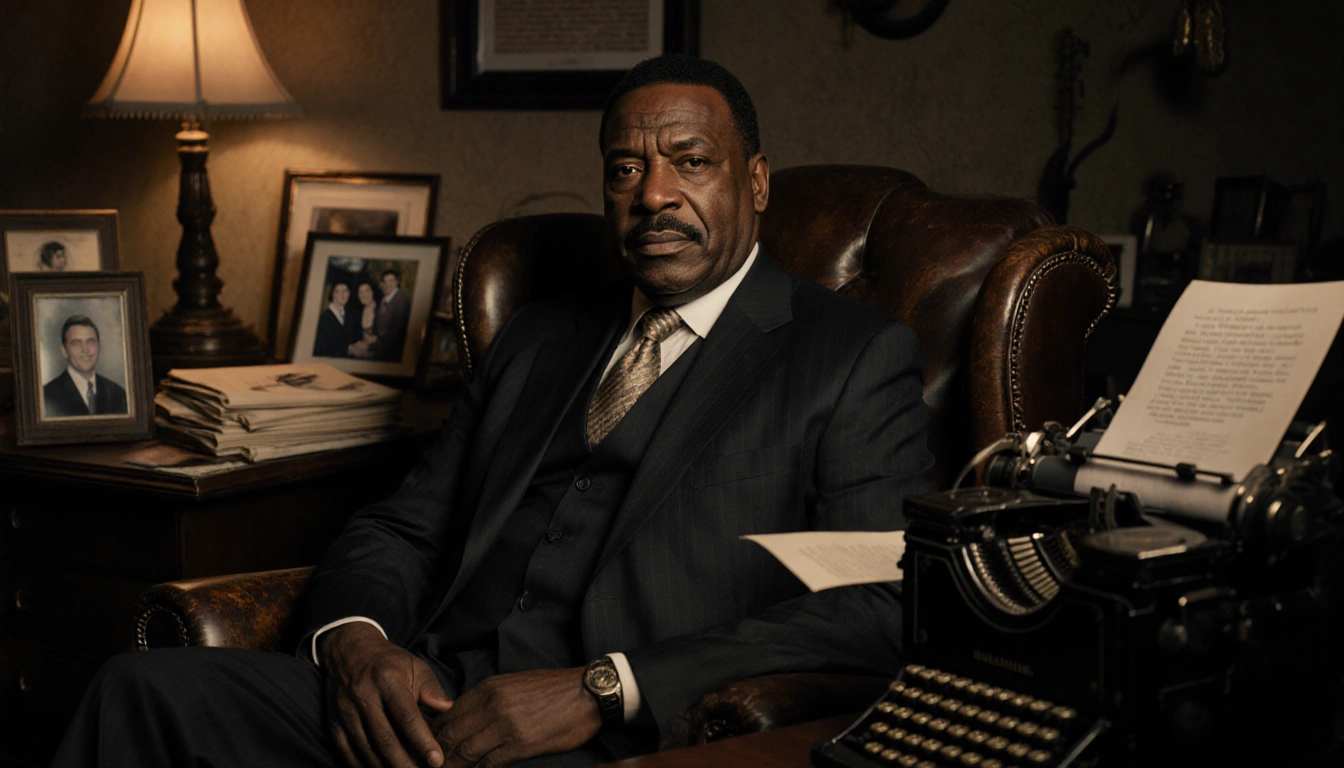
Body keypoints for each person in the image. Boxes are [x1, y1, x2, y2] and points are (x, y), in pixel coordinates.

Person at [53, 54, 935, 767]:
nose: (655, 195)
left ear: (756, 181)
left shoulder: (849, 356)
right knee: (143, 691)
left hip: (611, 736)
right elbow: (403, 528)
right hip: (427, 703)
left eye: (691, 162)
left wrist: (603, 687)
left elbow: (880, 605)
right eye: (626, 168)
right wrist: (353, 646)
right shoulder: (542, 338)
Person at [42, 315, 128, 417]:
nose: (85, 350)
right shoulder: (47, 396)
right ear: (64, 351)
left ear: (98, 346)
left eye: (90, 341)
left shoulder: (118, 394)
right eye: (76, 343)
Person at [370, 268, 411, 361]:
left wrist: (376, 344)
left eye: (391, 281)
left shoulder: (401, 299)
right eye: (385, 282)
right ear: (381, 284)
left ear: (397, 282)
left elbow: (397, 330)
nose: (387, 285)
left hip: (391, 353)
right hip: (381, 349)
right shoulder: (383, 300)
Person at [314, 282, 353, 358]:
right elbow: (321, 350)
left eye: (345, 291)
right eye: (337, 291)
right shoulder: (324, 318)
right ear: (332, 294)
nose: (342, 295)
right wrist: (348, 349)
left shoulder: (349, 315)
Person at [347, 281, 380, 359]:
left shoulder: (381, 310)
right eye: (360, 292)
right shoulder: (358, 313)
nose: (364, 295)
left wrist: (372, 344)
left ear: (373, 292)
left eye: (367, 291)